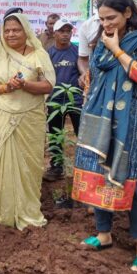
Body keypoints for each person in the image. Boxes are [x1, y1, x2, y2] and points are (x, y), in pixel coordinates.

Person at [72, 0, 137, 273]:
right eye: (102, 19)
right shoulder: (101, 41)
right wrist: (89, 79)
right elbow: (96, 75)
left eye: (111, 17)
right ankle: (103, 233)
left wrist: (117, 51)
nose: (106, 23)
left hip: (130, 122)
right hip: (98, 118)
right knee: (98, 174)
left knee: (133, 181)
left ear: (127, 13)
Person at [0, 13, 55, 229]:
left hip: (30, 118)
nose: (11, 34)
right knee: (1, 163)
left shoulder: (39, 54)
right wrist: (6, 87)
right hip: (1, 115)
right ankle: (3, 211)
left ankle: (27, 211)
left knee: (29, 167)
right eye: (7, 30)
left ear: (26, 31)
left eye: (16, 30)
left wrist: (25, 86)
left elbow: (48, 85)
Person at [43, 18, 82, 181]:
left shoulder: (78, 51)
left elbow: (84, 71)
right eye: (62, 31)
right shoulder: (48, 54)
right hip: (55, 101)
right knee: (55, 135)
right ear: (55, 33)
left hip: (76, 100)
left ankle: (83, 168)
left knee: (82, 135)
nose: (66, 35)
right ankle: (57, 167)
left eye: (68, 31)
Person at [77, 0, 125, 88]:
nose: (120, 0)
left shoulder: (132, 23)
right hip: (98, 86)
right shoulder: (87, 27)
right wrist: (85, 73)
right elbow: (83, 58)